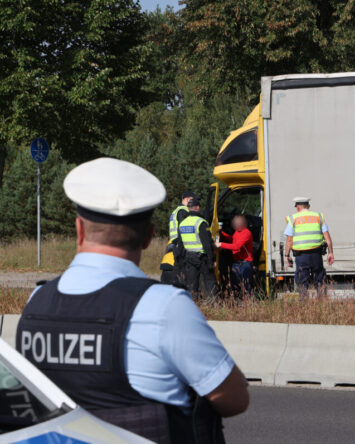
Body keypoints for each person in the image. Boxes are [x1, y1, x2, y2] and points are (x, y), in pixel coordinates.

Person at [16, 158, 248, 443]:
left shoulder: (37, 302)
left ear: (79, 229)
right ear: (149, 237)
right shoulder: (163, 307)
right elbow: (235, 398)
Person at [283, 197, 334, 297]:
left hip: (301, 257)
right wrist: (331, 253)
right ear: (308, 206)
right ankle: (322, 303)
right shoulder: (318, 216)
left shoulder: (293, 218)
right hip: (316, 255)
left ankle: (304, 305)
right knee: (319, 280)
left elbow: (289, 239)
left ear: (298, 207)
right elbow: (327, 236)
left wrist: (286, 255)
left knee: (302, 281)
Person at [179, 197, 217, 296]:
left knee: (191, 284)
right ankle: (213, 305)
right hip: (202, 258)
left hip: (189, 257)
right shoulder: (201, 222)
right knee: (209, 281)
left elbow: (180, 245)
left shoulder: (182, 223)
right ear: (197, 207)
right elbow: (207, 243)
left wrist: (182, 260)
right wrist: (212, 259)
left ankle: (193, 304)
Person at [160, 191, 196, 284]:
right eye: (193, 200)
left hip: (174, 244)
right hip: (180, 244)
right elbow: (183, 229)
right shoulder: (183, 211)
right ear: (188, 199)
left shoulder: (176, 211)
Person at [216, 214, 254, 294]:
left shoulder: (246, 233)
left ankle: (246, 302)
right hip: (236, 263)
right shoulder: (238, 232)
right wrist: (221, 233)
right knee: (235, 285)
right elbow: (233, 240)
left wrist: (220, 244)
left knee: (246, 286)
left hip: (245, 263)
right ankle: (238, 302)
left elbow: (236, 246)